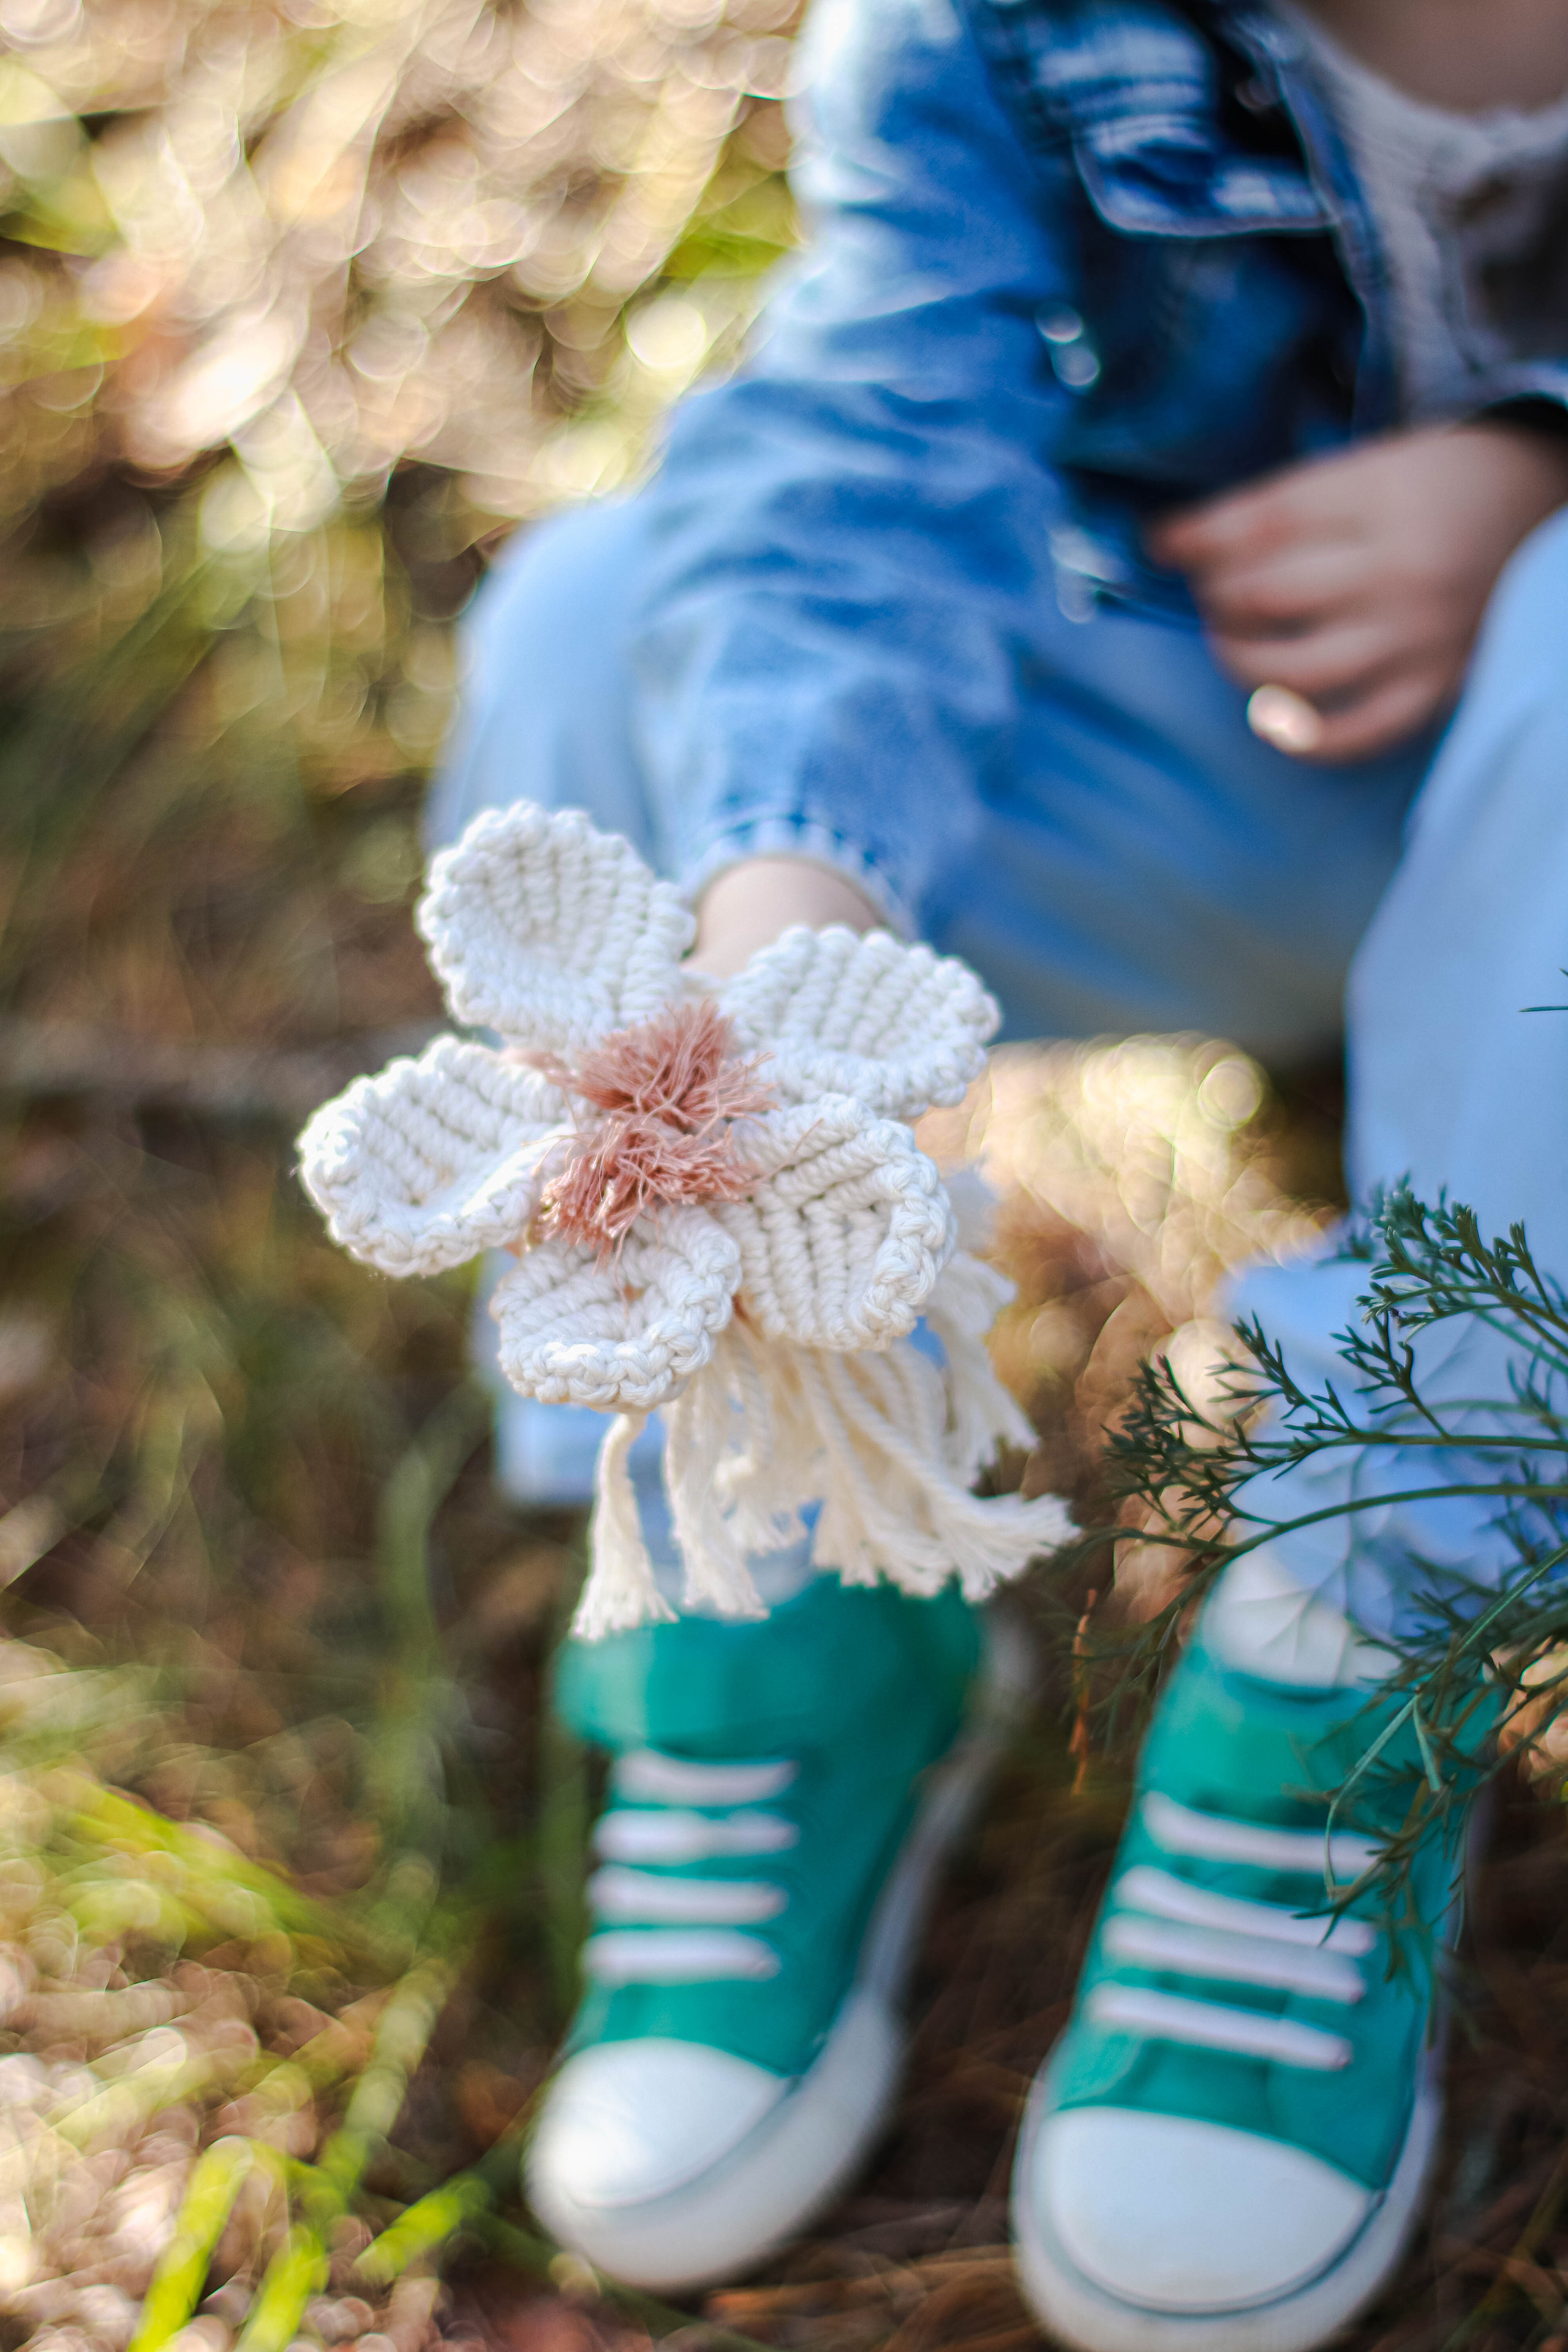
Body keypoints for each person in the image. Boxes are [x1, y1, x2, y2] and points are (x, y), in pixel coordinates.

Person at [428, 0, 1568, 2341]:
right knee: (596, 625)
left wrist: (1542, 475)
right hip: (1258, 760)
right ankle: (779, 1535)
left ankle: (1357, 1634)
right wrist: (780, 940)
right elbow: (863, 444)